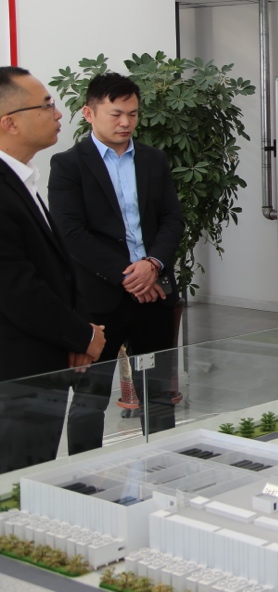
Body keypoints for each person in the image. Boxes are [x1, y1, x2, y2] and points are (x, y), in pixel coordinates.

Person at [48, 72, 185, 452]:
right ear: (89, 113)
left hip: (154, 294)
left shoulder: (153, 160)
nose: (126, 122)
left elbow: (172, 219)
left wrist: (152, 264)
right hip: (99, 300)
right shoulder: (68, 165)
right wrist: (131, 275)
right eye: (116, 114)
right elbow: (71, 233)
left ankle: (163, 464)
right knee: (90, 398)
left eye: (133, 114)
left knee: (158, 392)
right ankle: (83, 476)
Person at [0, 67, 106, 472]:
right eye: (46, 105)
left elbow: (56, 270)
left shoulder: (21, 179)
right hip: (16, 375)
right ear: (9, 122)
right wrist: (83, 335)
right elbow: (16, 288)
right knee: (17, 483)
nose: (58, 113)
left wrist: (78, 332)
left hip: (41, 364)